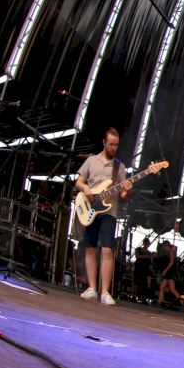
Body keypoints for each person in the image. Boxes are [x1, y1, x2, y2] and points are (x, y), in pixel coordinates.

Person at [74, 128, 132, 305]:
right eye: (111, 144)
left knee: (107, 249)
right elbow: (78, 182)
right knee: (90, 248)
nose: (114, 148)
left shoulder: (119, 167)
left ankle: (105, 292)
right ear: (104, 143)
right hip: (91, 208)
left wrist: (128, 191)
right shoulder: (91, 161)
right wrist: (86, 188)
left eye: (116, 145)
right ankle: (92, 288)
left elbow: (123, 196)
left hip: (109, 212)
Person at [155, 240, 184, 307]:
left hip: (170, 272)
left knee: (172, 289)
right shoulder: (170, 252)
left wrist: (165, 270)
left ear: (166, 246)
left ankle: (181, 302)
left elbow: (171, 262)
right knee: (161, 287)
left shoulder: (171, 252)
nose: (163, 248)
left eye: (164, 247)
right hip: (169, 272)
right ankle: (160, 302)